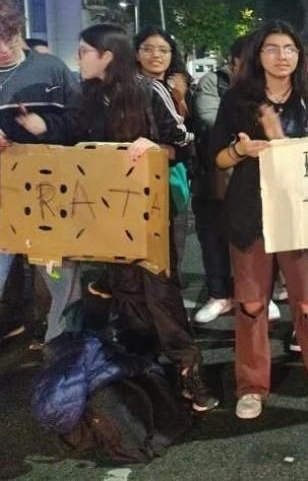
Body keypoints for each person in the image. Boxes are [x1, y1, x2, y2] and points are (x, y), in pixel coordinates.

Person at [50, 23, 217, 411]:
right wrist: (30, 135)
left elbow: (186, 141)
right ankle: (142, 369)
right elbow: (67, 142)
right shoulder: (83, 96)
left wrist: (154, 145)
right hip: (106, 215)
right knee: (126, 292)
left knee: (160, 293)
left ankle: (189, 371)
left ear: (107, 55)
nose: (79, 58)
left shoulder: (148, 91)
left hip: (149, 212)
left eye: (83, 51)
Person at [211, 20, 308, 420]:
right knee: (253, 303)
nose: (281, 56)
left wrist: (279, 143)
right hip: (249, 213)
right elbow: (218, 159)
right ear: (258, 55)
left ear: (299, 55)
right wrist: (241, 151)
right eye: (271, 48)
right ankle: (252, 385)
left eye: (289, 48)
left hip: (299, 212)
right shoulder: (237, 101)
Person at [0, 0, 81, 345]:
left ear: (21, 31)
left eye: (10, 38)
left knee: (63, 280)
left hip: (46, 195)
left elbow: (80, 123)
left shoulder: (51, 69)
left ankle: (62, 354)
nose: (3, 49)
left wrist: (42, 126)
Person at [191, 35, 279, 323]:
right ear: (235, 62)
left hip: (257, 183)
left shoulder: (274, 91)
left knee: (262, 240)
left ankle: (261, 293)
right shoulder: (217, 86)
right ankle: (220, 295)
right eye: (252, 60)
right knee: (216, 238)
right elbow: (210, 119)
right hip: (217, 179)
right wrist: (244, 128)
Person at [133, 28, 194, 291]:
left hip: (171, 173)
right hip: (141, 174)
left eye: (163, 50)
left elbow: (191, 131)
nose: (155, 55)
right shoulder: (132, 87)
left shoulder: (181, 86)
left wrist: (180, 99)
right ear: (136, 53)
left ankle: (165, 287)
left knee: (169, 237)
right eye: (147, 48)